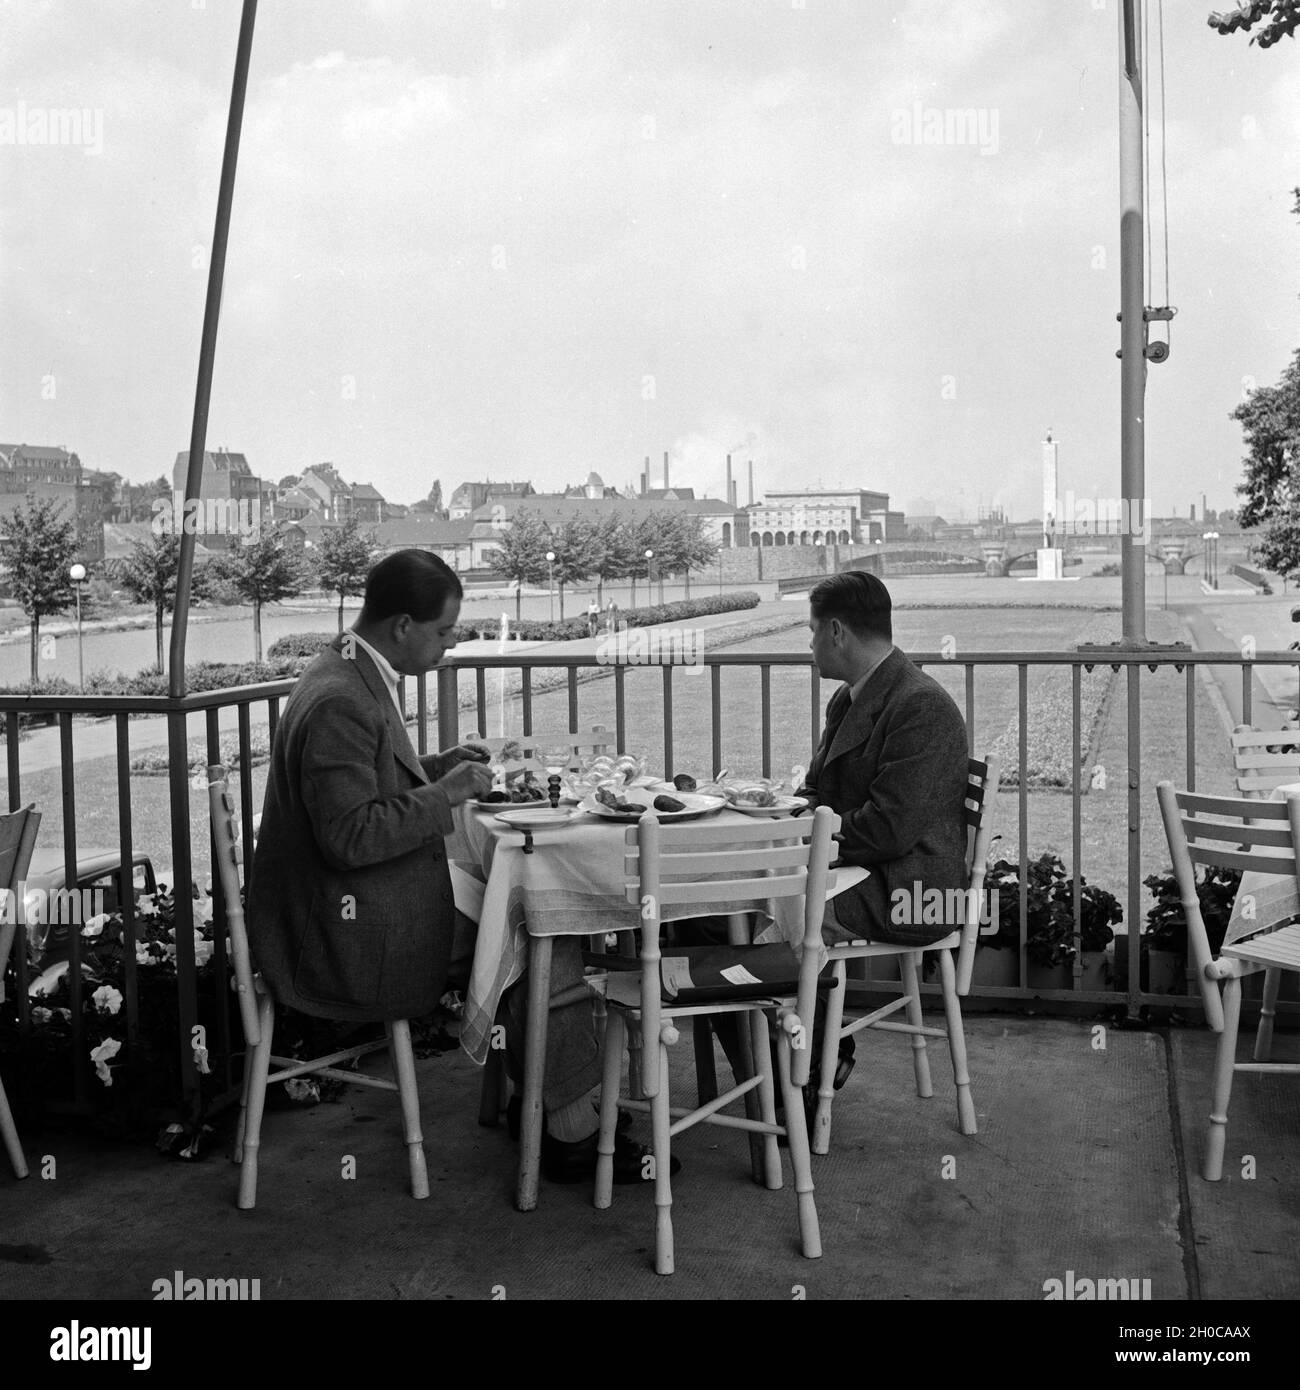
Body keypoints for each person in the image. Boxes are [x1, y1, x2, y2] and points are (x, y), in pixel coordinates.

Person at [248, 549, 661, 1183]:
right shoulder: (341, 700)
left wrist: (436, 767)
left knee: (529, 917)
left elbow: (366, 790)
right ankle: (569, 1127)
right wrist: (443, 795)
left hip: (339, 908)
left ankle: (551, 1102)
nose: (450, 645)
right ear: (403, 626)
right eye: (443, 632)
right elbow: (350, 836)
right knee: (542, 927)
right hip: (337, 938)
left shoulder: (347, 670)